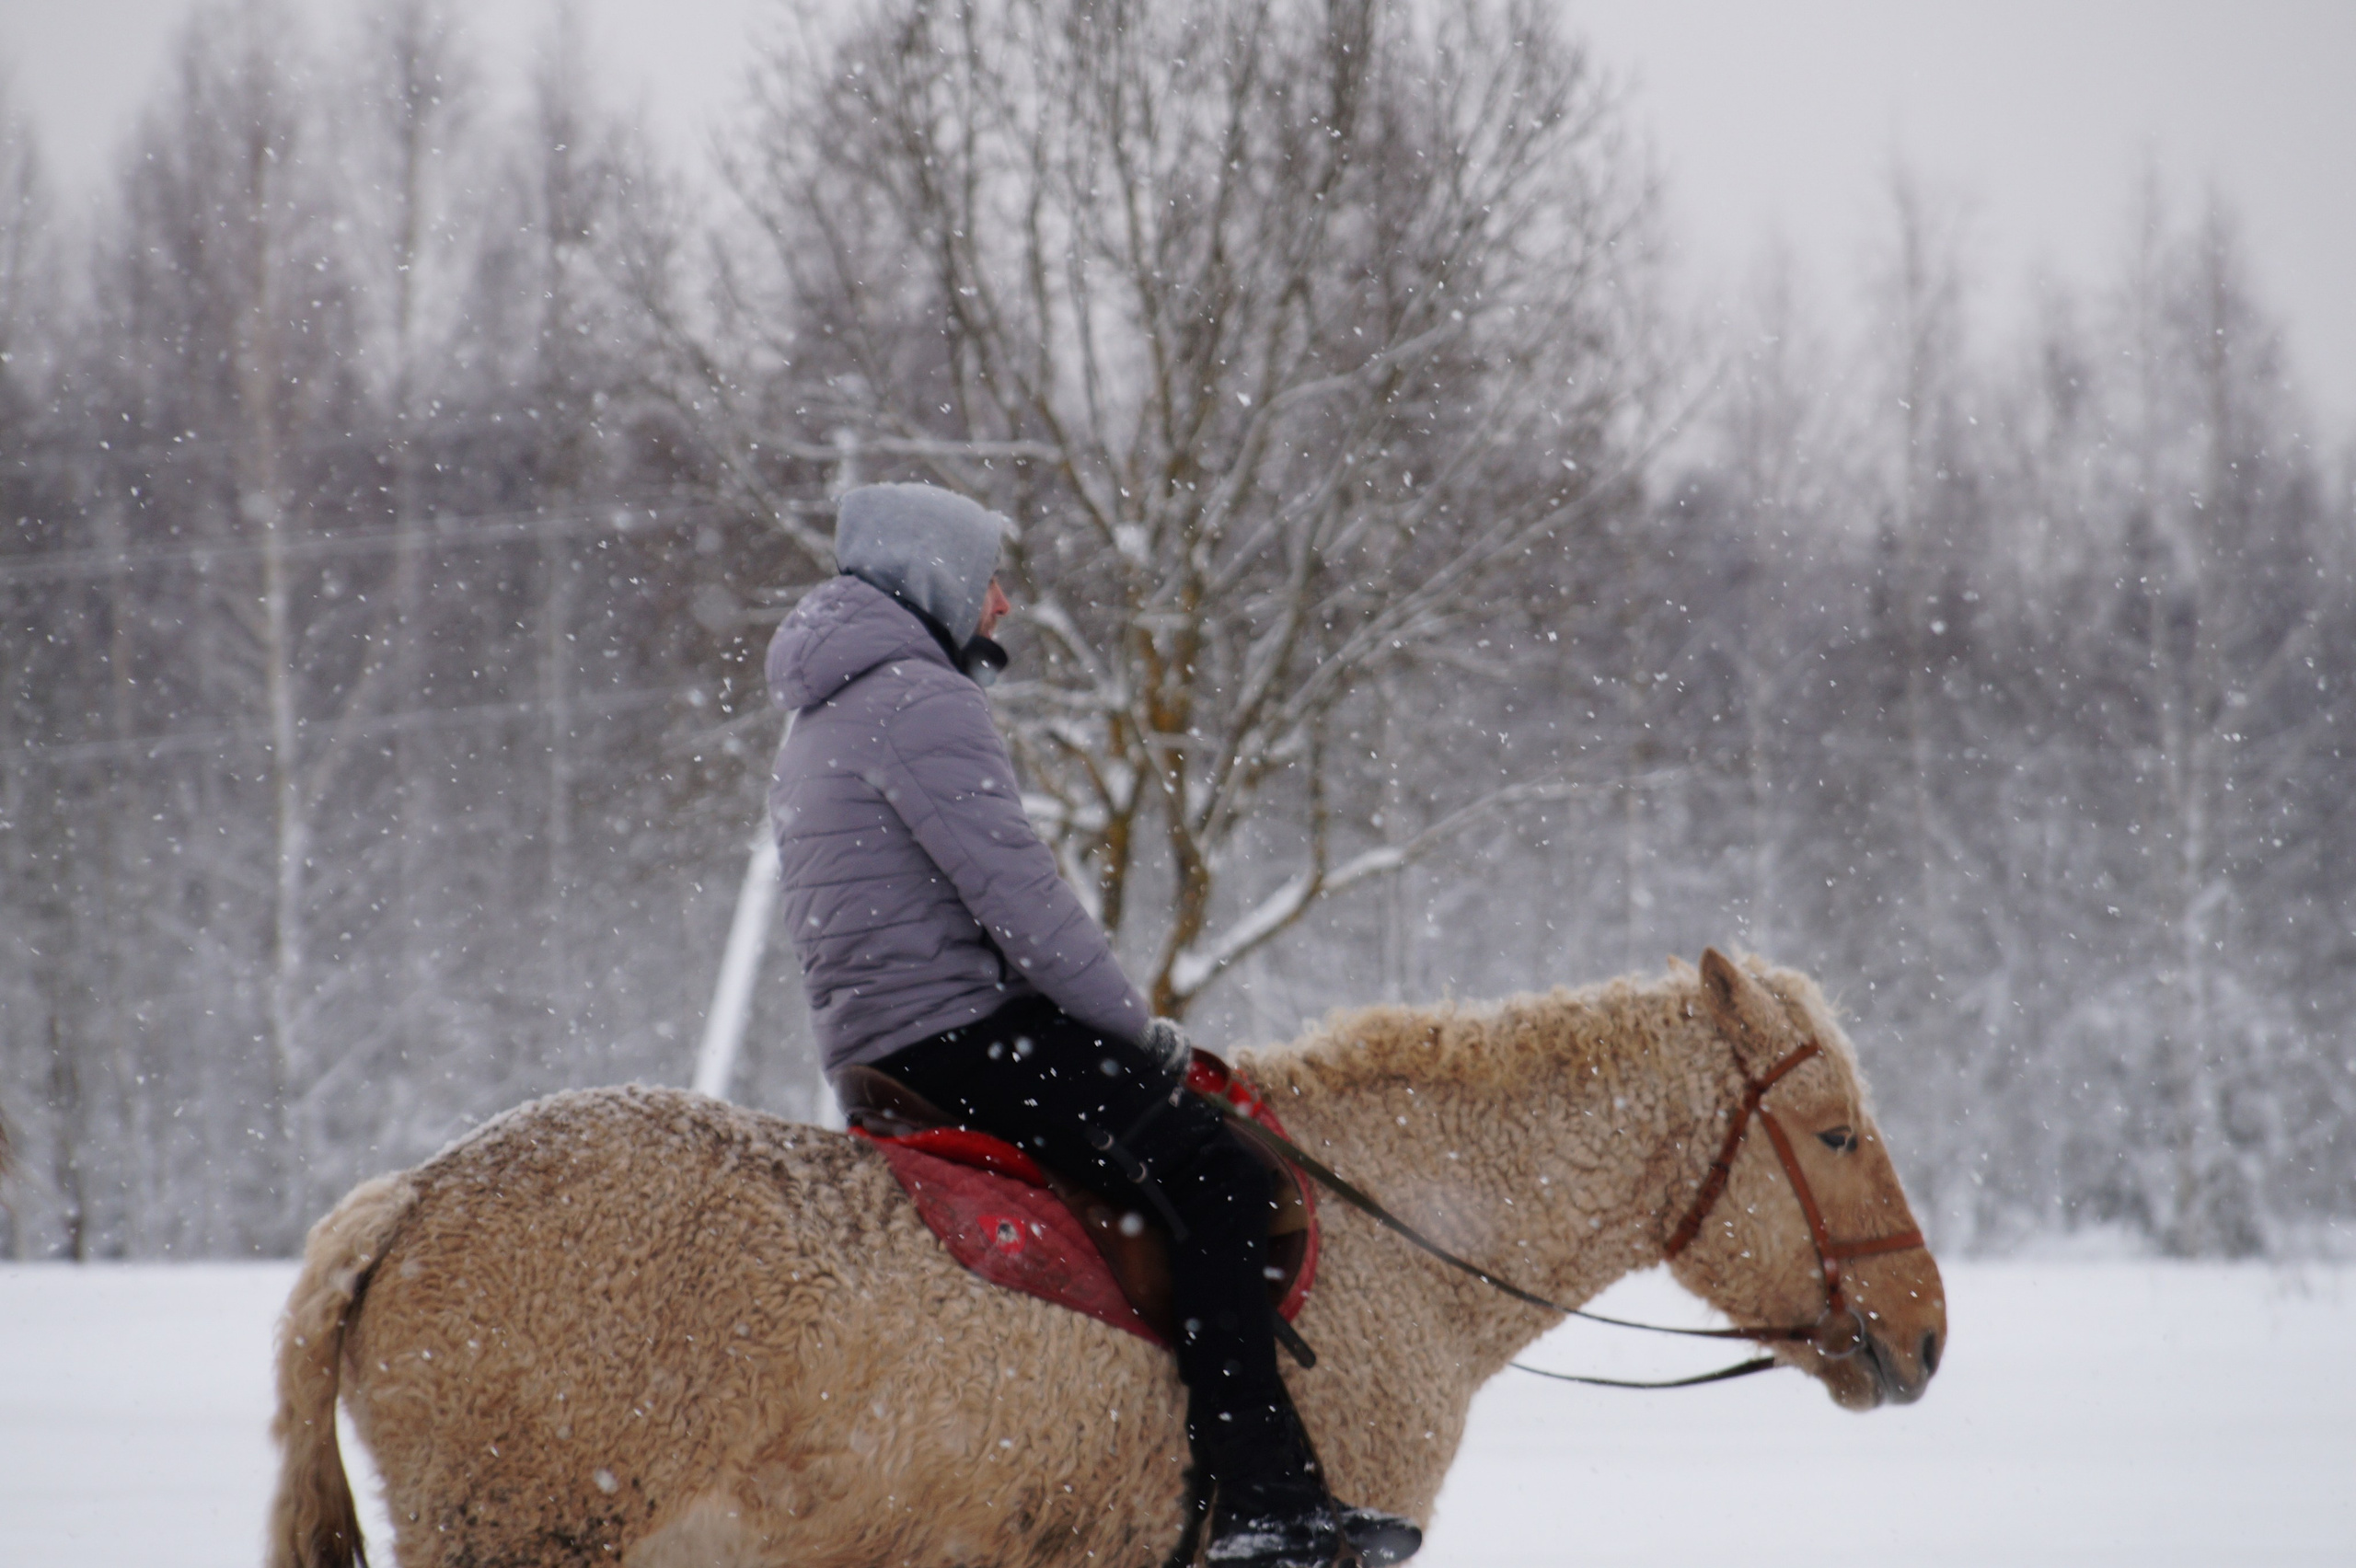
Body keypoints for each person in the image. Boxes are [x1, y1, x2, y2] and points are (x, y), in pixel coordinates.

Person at [765, 483, 1419, 1568]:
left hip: (883, 1041)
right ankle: (1261, 1507)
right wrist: (1137, 1032)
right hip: (962, 1032)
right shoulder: (918, 699)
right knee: (1226, 1180)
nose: (1005, 604)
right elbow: (1026, 905)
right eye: (988, 581)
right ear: (931, 579)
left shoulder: (820, 710)